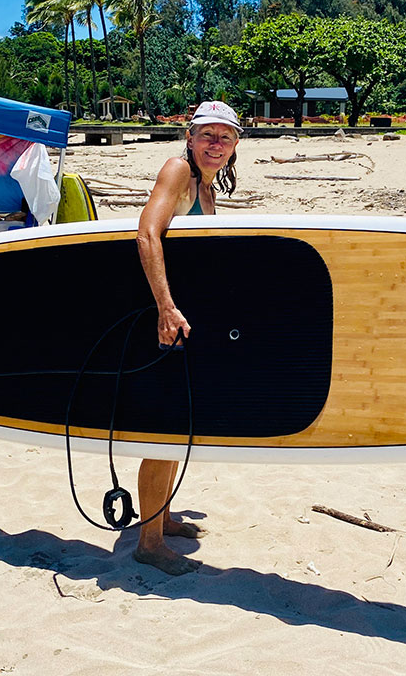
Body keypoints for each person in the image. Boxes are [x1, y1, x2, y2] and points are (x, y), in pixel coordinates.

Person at [133, 100, 241, 575]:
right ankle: (149, 543)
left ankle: (164, 517)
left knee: (181, 427)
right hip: (167, 317)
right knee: (164, 429)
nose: (216, 145)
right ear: (190, 137)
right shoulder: (177, 170)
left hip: (187, 318)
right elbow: (147, 234)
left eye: (226, 137)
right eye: (208, 135)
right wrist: (165, 306)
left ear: (237, 146)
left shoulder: (208, 186)